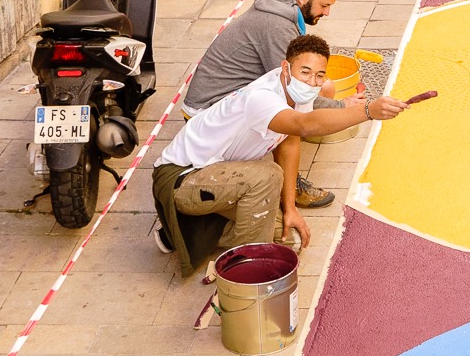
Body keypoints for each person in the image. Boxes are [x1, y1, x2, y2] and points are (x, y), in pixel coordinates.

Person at [151, 34, 409, 273]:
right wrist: (366, 112)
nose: (312, 81)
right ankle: (247, 269)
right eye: (305, 71)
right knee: (266, 175)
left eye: (320, 75)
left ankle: (184, 232)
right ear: (286, 68)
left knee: (291, 241)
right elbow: (303, 125)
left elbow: (290, 142)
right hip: (181, 178)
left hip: (215, 175)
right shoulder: (260, 97)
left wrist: (290, 209)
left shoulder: (296, 91)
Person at [182, 0, 347, 209]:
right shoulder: (276, 25)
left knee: (324, 87)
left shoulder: (283, 5)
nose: (326, 13)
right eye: (324, 5)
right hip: (205, 113)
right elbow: (293, 90)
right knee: (291, 117)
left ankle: (291, 155)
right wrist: (345, 108)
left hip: (220, 97)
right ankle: (289, 188)